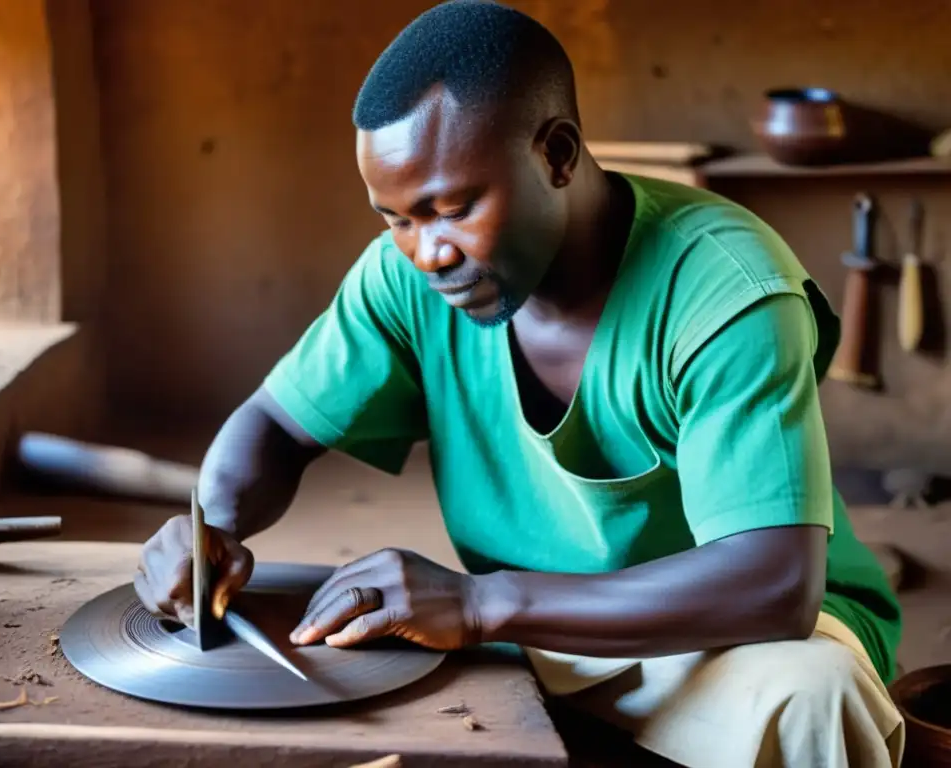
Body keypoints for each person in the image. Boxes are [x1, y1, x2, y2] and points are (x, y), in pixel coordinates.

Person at [133, 2, 905, 765]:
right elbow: (275, 422)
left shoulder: (726, 289)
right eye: (395, 219)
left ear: (558, 155)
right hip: (528, 634)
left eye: (453, 207)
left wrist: (481, 602)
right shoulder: (406, 280)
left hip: (722, 640)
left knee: (817, 697)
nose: (426, 252)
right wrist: (215, 530)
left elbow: (772, 585)